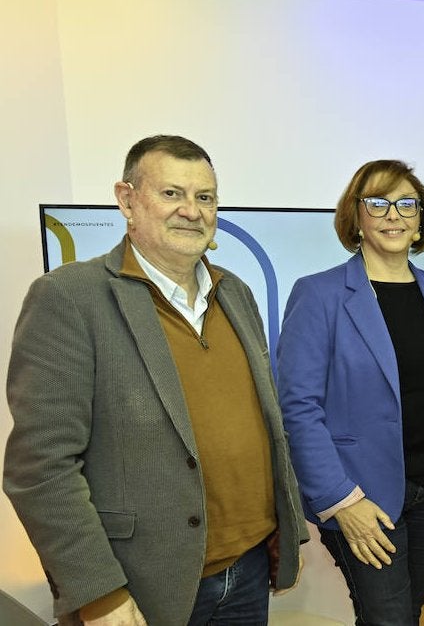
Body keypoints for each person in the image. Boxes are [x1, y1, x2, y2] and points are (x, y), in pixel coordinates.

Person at [3, 135, 306, 626]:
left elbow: (263, 423)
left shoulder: (237, 293)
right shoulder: (70, 298)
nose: (192, 210)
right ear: (127, 200)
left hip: (248, 570)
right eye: (171, 193)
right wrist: (98, 593)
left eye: (204, 197)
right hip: (143, 584)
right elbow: (39, 469)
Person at [277, 159, 424, 625]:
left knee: (403, 615)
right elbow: (298, 408)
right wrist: (342, 501)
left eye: (407, 204)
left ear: (420, 222)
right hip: (362, 498)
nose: (394, 214)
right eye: (379, 202)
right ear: (357, 216)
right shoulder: (320, 295)